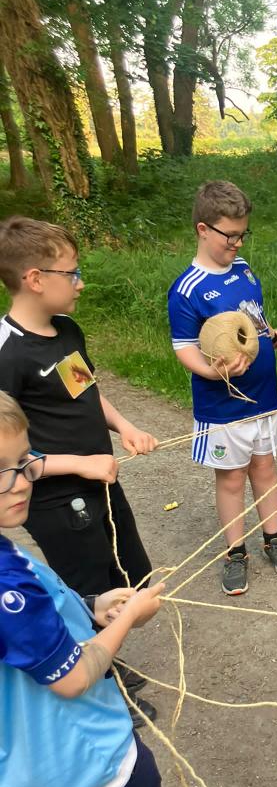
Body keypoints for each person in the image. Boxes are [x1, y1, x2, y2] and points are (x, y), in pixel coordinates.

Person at [0, 391, 272, 787]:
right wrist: (125, 620)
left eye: (24, 461)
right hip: (86, 760)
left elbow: (33, 635)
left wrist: (94, 605)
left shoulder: (8, 558)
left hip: (30, 770)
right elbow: (72, 678)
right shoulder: (7, 590)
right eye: (2, 473)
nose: (21, 480)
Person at [0, 215, 158, 726]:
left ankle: (106, 662)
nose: (81, 282)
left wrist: (125, 427)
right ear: (35, 279)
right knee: (81, 592)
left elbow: (84, 389)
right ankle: (102, 690)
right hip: (54, 501)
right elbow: (7, 454)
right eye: (72, 272)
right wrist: (80, 464)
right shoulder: (8, 353)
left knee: (126, 575)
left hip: (100, 482)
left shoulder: (65, 330)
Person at [168, 181, 277, 597]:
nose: (238, 243)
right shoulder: (186, 289)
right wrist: (211, 373)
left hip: (264, 396)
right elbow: (184, 348)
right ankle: (235, 551)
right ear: (203, 230)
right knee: (231, 480)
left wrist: (268, 333)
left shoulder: (244, 272)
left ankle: (273, 538)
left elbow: (252, 323)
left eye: (243, 234)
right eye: (231, 235)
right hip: (223, 407)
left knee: (265, 468)